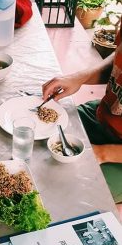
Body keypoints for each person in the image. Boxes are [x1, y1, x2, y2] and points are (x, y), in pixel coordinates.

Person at [42, 20, 122, 164]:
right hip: (102, 114)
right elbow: (118, 59)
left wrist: (102, 153)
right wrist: (78, 78)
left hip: (116, 152)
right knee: (40, 135)